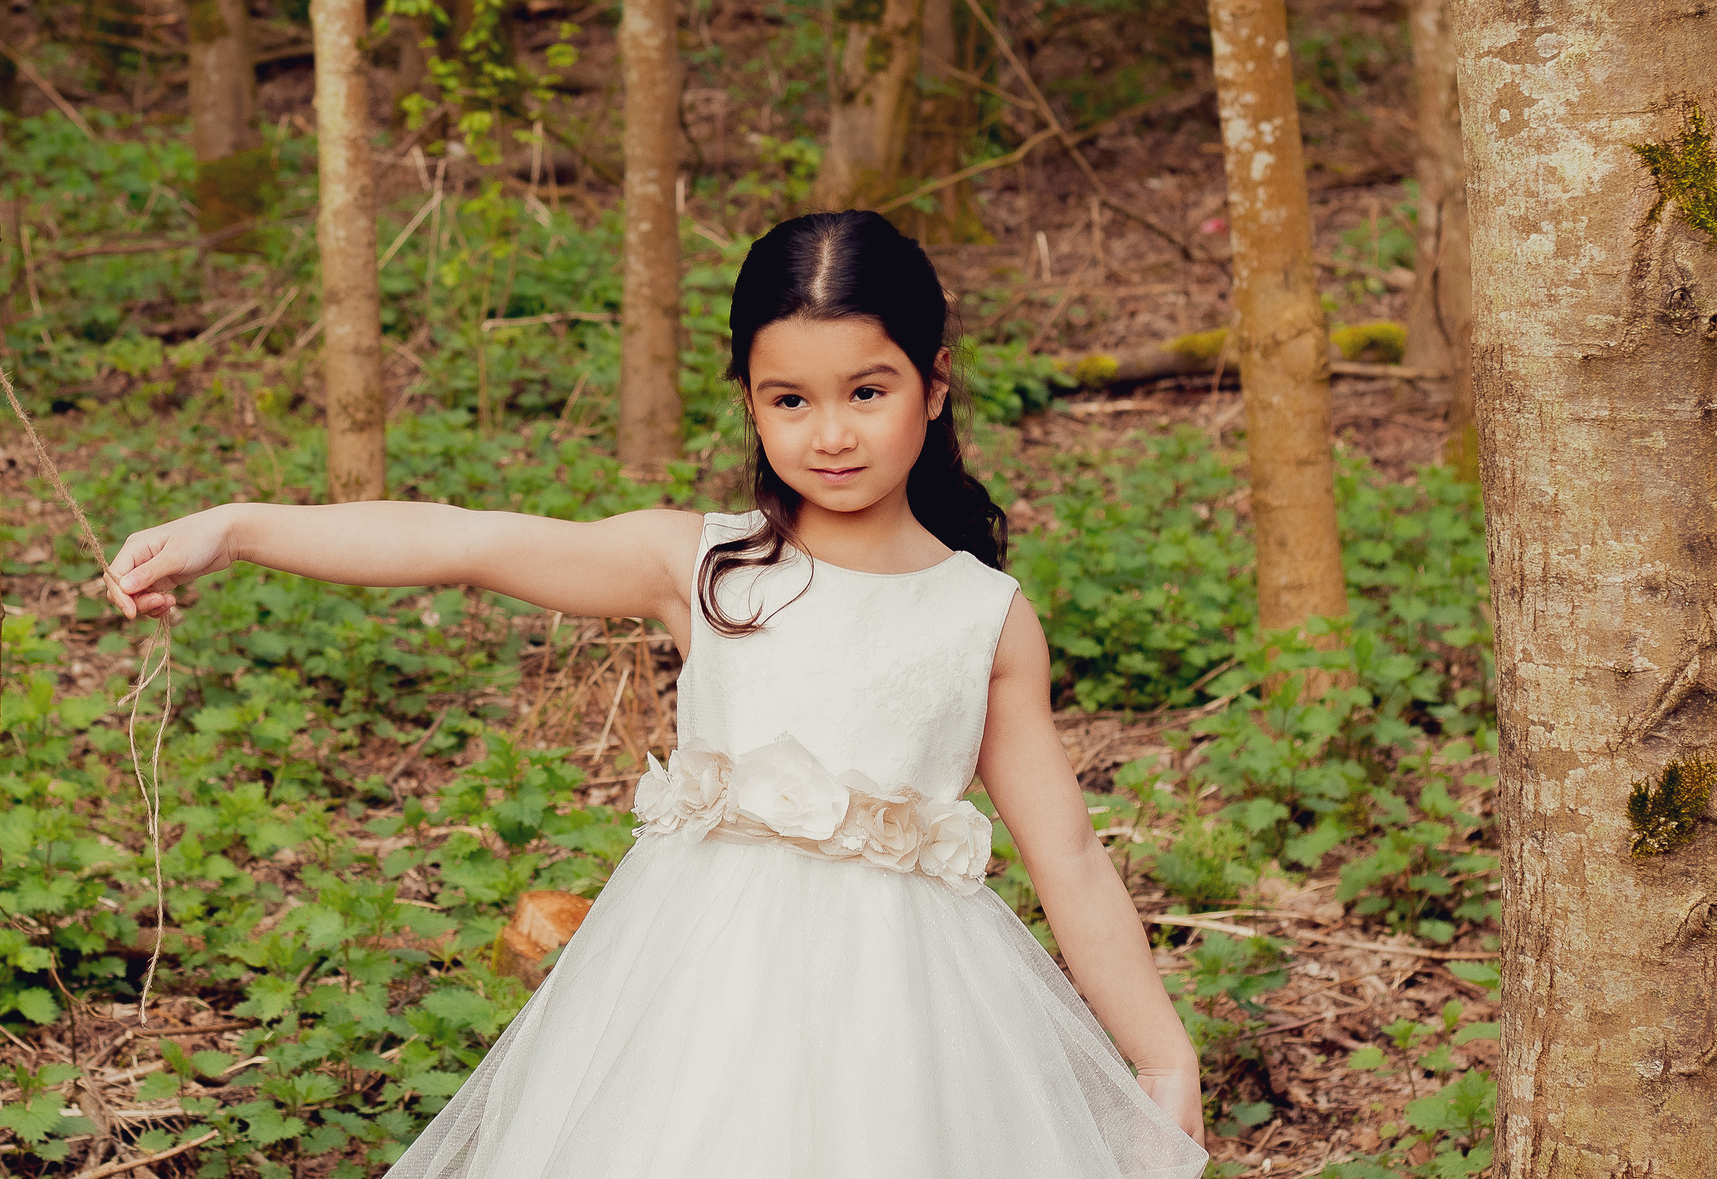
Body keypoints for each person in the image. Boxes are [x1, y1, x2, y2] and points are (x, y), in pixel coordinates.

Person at [109, 211, 1208, 1178]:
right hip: (697, 999)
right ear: (750, 399)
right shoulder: (706, 565)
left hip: (903, 1021)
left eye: (866, 392)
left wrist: (1163, 1056)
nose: (830, 432)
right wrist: (240, 527)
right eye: (790, 398)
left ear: (935, 378)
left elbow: (1066, 856)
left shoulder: (979, 616)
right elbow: (462, 541)